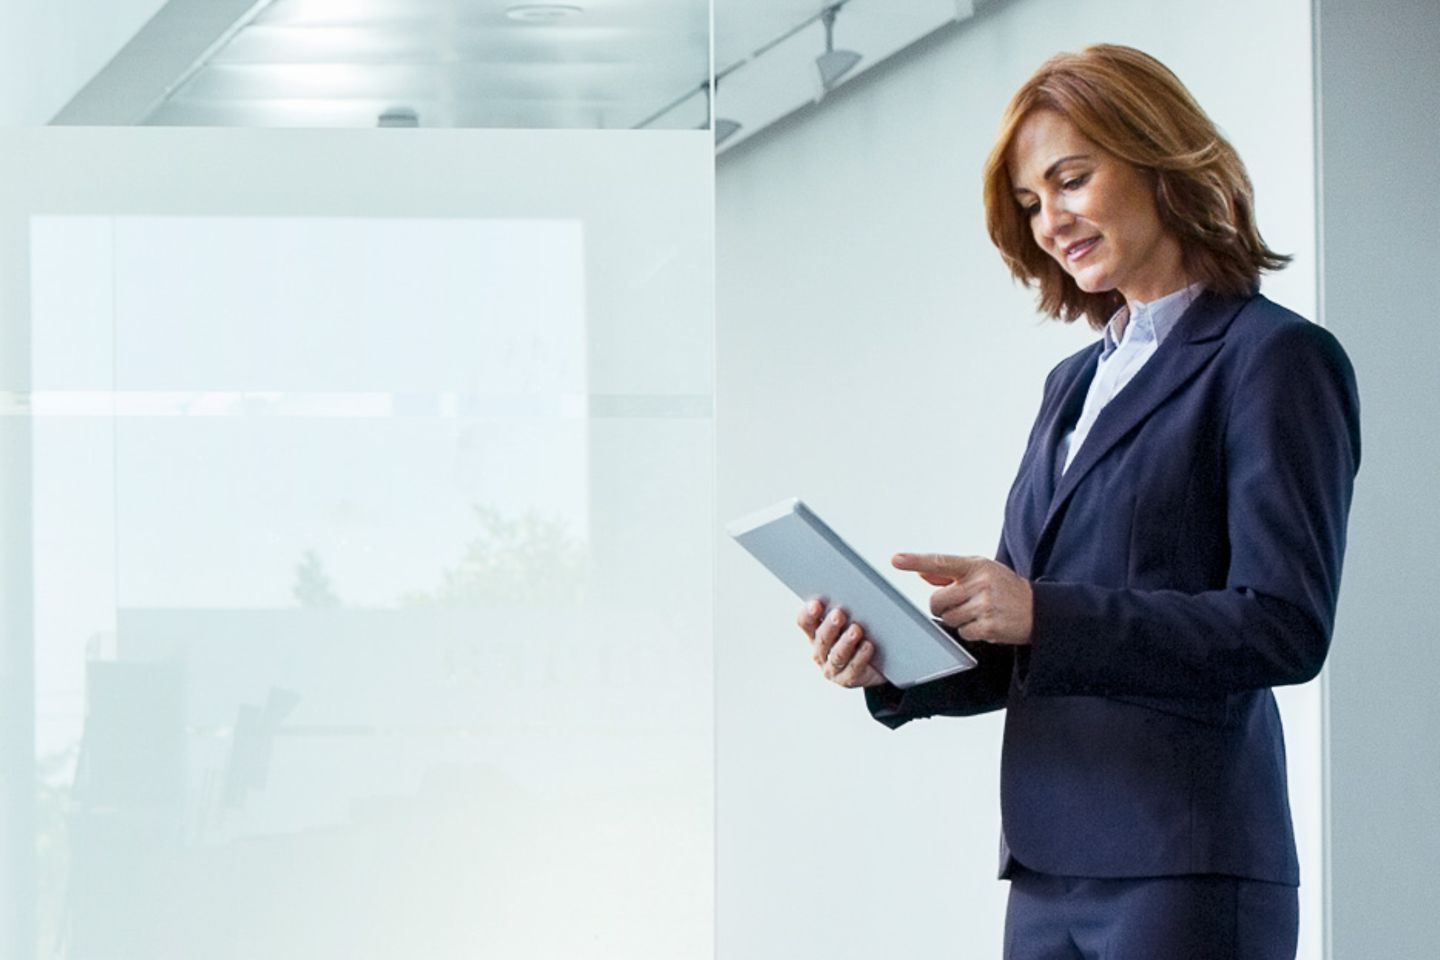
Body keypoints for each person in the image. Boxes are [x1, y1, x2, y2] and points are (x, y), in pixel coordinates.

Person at [796, 44, 1359, 960]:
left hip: (1185, 865)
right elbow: (1032, 646)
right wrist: (892, 662)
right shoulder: (1073, 384)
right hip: (1047, 868)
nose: (1050, 221)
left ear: (1157, 156)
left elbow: (1284, 626)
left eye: (1070, 180)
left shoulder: (1273, 359)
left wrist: (1041, 610)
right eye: (1030, 203)